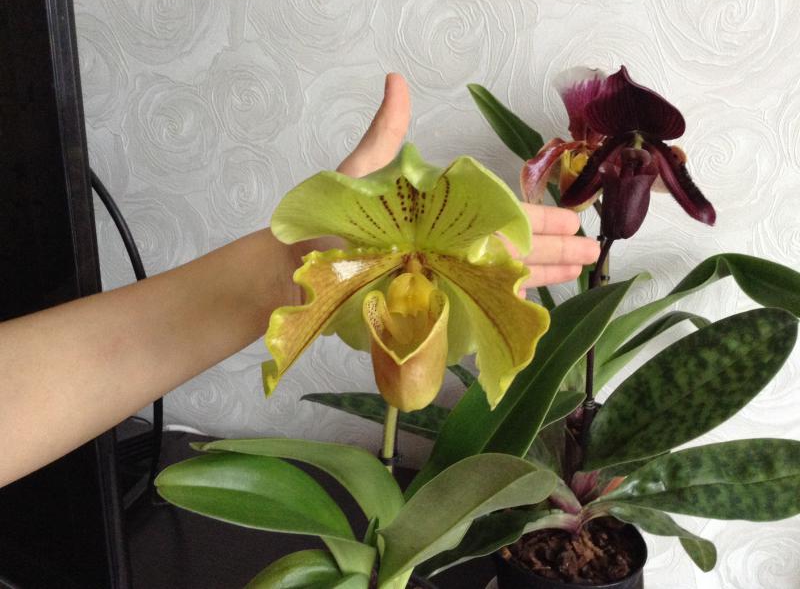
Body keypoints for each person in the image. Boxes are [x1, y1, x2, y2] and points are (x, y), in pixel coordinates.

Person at [0, 73, 600, 488]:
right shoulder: (358, 271)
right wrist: (290, 317)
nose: (408, 306)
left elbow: (512, 324)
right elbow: (304, 308)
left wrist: (499, 372)